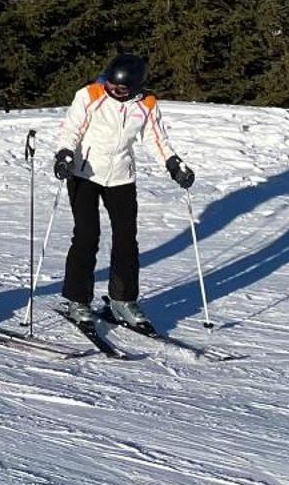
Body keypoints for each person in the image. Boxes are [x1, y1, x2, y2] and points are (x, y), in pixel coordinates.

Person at [51, 53, 195, 326]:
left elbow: (155, 138)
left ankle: (123, 299)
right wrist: (64, 153)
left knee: (127, 238)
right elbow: (71, 128)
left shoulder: (147, 103)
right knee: (86, 234)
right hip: (84, 172)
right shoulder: (91, 94)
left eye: (120, 88)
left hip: (121, 175)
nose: (112, 90)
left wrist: (173, 163)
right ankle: (77, 298)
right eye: (110, 84)